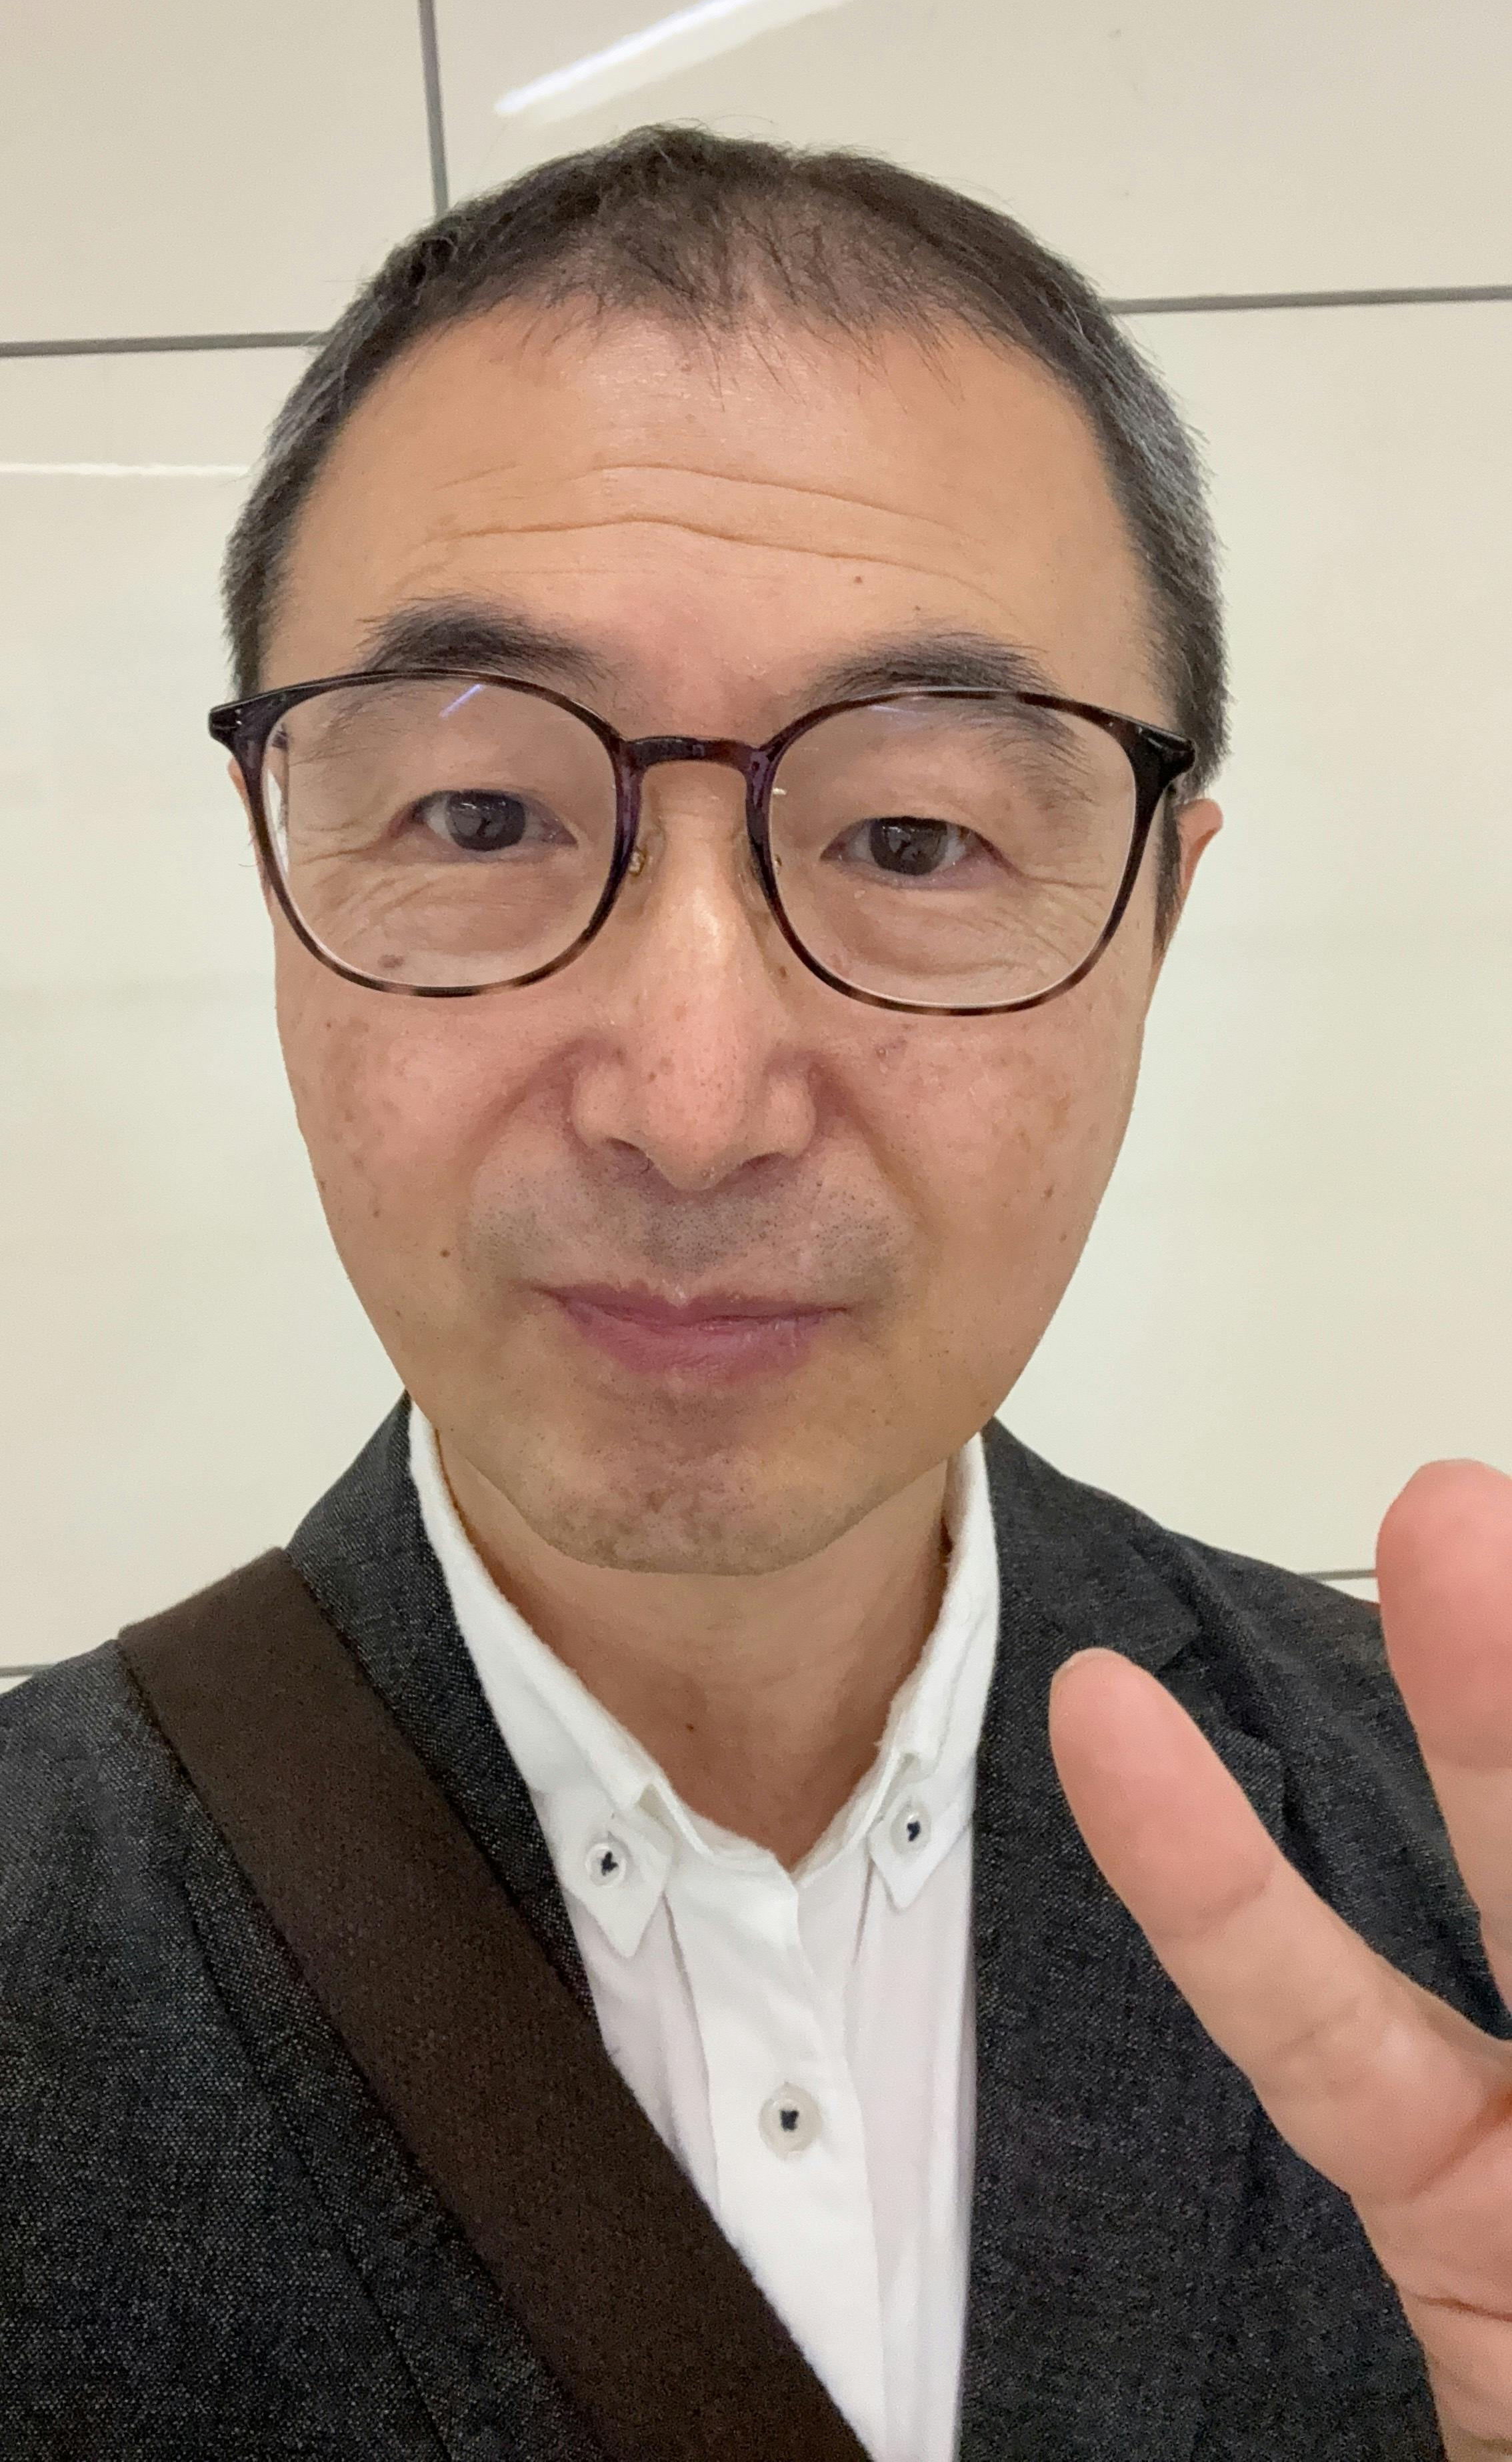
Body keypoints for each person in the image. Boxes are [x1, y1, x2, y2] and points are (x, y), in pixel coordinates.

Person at [3, 127, 1511, 2462]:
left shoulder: (1452, 1911)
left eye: (914, 838)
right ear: (279, 869)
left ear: (1156, 918)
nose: (693, 1104)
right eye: (482, 818)